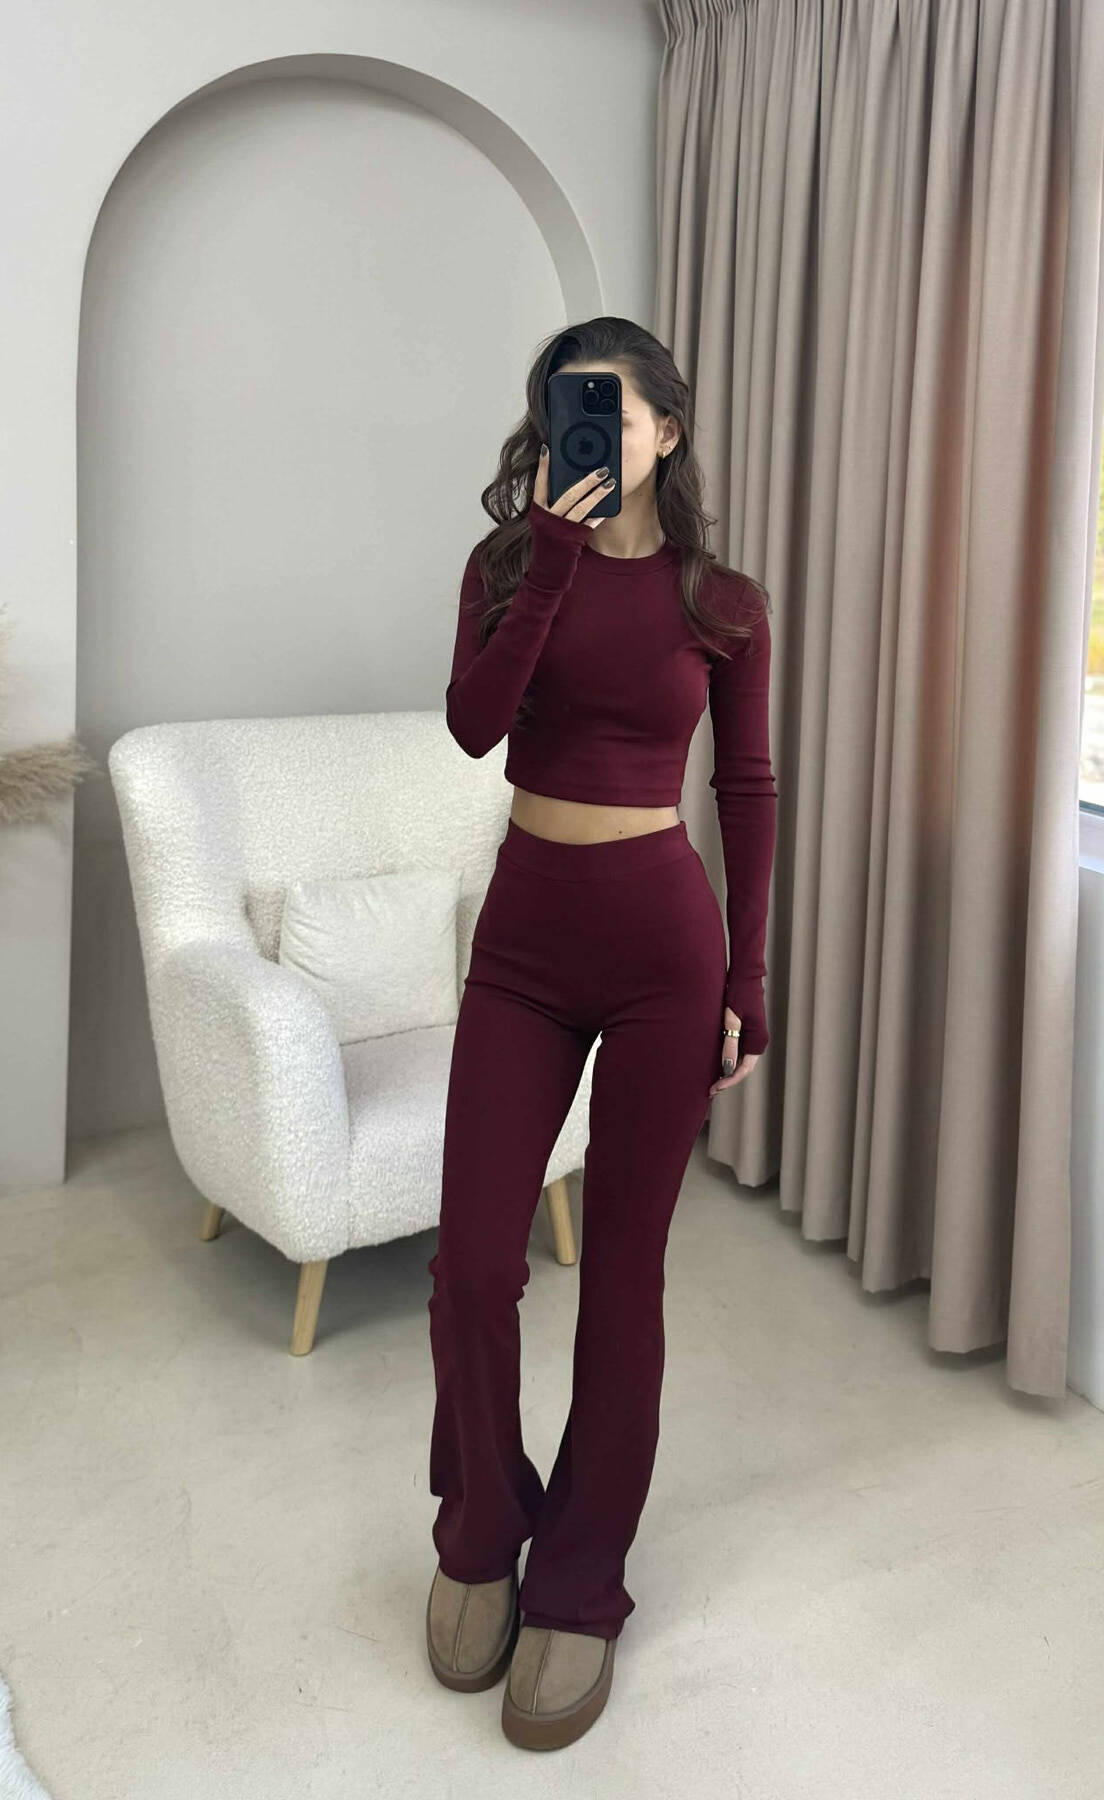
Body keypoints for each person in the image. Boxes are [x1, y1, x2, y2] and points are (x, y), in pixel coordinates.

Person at [424, 318, 777, 1750]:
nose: (590, 434)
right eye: (568, 410)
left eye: (616, 413)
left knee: (624, 1281)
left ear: (667, 432)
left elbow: (746, 787)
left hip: (661, 954)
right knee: (473, 1265)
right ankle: (480, 1526)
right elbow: (474, 727)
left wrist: (750, 975)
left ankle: (580, 1577)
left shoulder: (724, 601)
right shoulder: (509, 566)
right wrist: (556, 559)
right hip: (523, 942)